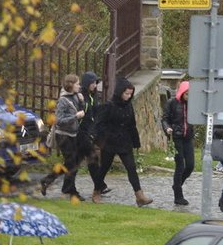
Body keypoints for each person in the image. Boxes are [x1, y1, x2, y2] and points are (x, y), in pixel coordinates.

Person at [93, 77, 153, 207]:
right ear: (120, 92)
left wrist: (135, 142)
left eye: (130, 94)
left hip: (125, 142)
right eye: (126, 93)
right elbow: (99, 124)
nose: (128, 96)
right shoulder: (108, 106)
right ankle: (97, 191)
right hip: (110, 143)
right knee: (104, 168)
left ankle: (139, 196)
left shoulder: (128, 106)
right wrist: (104, 138)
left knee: (132, 168)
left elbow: (132, 125)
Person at [38, 74, 85, 200]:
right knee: (71, 163)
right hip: (63, 136)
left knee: (72, 163)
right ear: (70, 85)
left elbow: (82, 111)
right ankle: (66, 189)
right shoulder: (63, 100)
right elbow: (59, 120)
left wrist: (82, 101)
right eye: (77, 84)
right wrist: (75, 117)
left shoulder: (76, 96)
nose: (79, 86)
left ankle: (56, 184)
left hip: (73, 134)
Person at [161, 81, 195, 206]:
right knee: (180, 165)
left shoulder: (192, 104)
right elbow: (165, 118)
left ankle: (176, 185)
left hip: (188, 137)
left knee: (190, 165)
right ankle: (178, 196)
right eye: (187, 94)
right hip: (176, 137)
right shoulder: (172, 103)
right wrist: (167, 128)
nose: (188, 97)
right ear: (182, 92)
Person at [78, 71, 109, 197]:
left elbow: (96, 113)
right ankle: (100, 185)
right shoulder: (81, 97)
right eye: (92, 83)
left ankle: (100, 185)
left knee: (75, 162)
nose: (95, 85)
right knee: (91, 158)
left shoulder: (93, 96)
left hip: (89, 132)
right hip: (80, 133)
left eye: (96, 83)